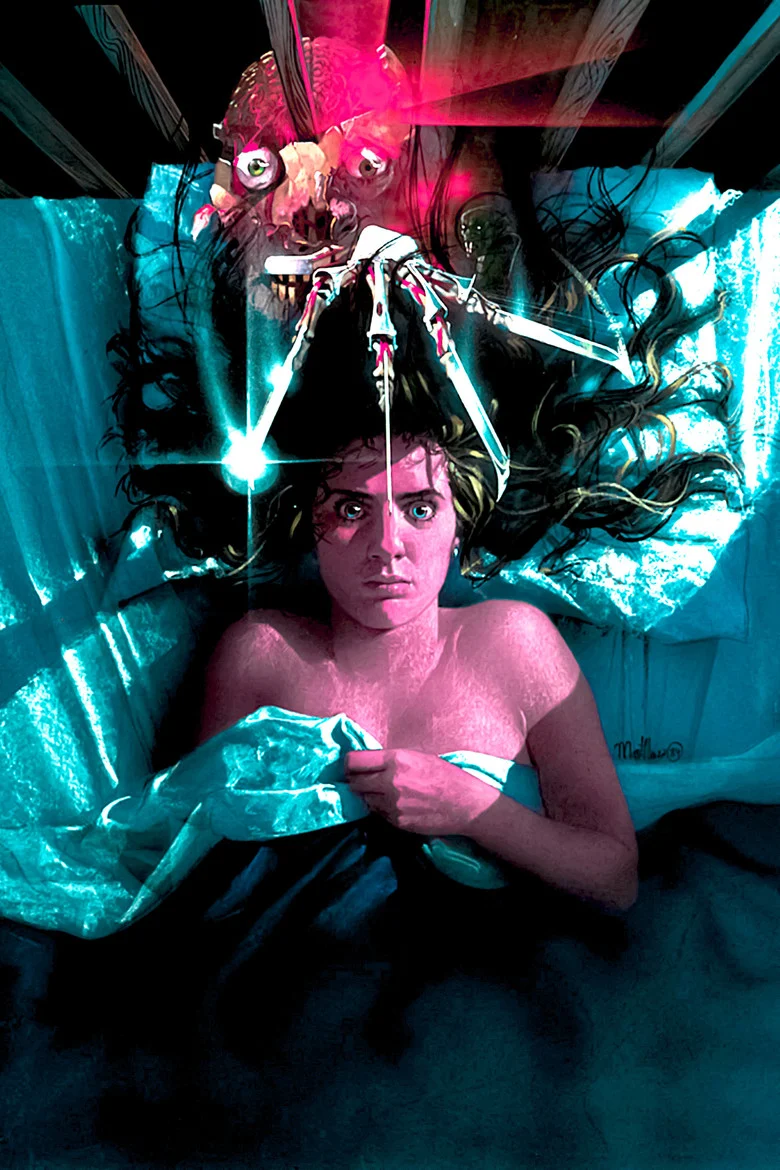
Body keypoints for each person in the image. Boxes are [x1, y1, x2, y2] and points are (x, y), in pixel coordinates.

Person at [197, 430, 639, 912]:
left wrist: (470, 808)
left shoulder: (515, 643)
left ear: (457, 530)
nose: (388, 545)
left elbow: (615, 879)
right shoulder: (261, 654)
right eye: (351, 510)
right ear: (310, 527)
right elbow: (191, 866)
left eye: (421, 510)